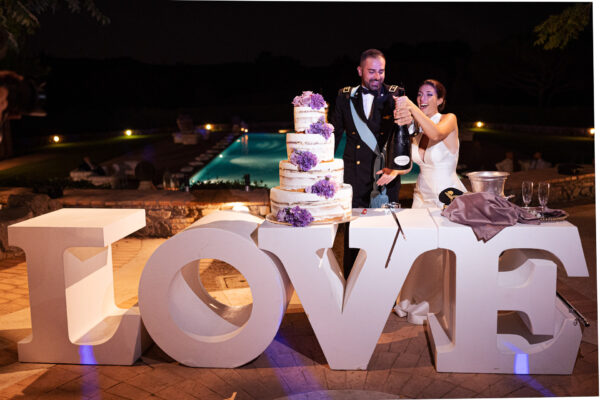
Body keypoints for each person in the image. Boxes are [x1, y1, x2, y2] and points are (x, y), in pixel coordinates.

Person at [331, 49, 412, 279]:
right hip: (354, 178)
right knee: (353, 238)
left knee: (384, 238)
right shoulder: (345, 96)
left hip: (384, 177)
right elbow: (335, 134)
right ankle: (350, 286)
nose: (377, 77)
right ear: (360, 71)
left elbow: (405, 135)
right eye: (371, 71)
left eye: (381, 71)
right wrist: (321, 166)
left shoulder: (396, 95)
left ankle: (381, 288)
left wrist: (397, 169)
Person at [392, 79, 467, 323]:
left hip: (446, 197)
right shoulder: (417, 128)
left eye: (429, 94)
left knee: (438, 253)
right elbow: (409, 163)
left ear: (440, 100)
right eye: (419, 94)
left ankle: (432, 303)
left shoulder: (448, 119)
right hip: (421, 195)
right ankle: (410, 299)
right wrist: (392, 171)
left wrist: (411, 107)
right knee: (418, 250)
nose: (423, 99)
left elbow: (435, 133)